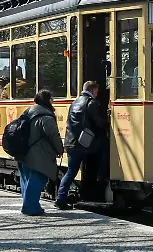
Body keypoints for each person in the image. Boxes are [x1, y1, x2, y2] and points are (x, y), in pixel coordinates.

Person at [54, 81, 107, 209]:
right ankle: (99, 187)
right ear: (93, 90)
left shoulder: (75, 102)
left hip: (72, 143)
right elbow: (99, 123)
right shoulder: (91, 103)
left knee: (71, 171)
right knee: (103, 157)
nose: (97, 94)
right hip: (85, 144)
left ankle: (61, 197)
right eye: (96, 91)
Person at [18, 89, 63, 216]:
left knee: (26, 179)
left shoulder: (28, 111)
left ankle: (33, 205)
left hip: (24, 152)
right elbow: (53, 135)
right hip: (39, 154)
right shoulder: (46, 116)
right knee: (39, 177)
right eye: (51, 99)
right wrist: (60, 149)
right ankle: (30, 207)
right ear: (48, 100)